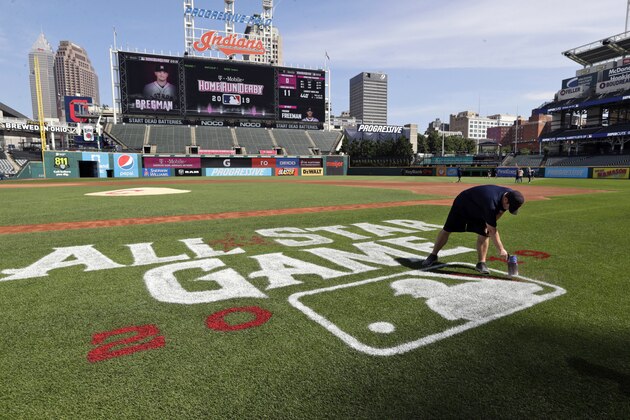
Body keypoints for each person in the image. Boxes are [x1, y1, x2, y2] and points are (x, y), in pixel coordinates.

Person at [421, 185, 525, 275]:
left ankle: (481, 263)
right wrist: (501, 249)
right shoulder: (491, 202)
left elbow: (501, 210)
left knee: (485, 233)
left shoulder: (511, 196)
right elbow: (493, 230)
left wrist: (488, 224)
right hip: (463, 204)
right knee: (447, 229)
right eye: (510, 207)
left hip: (480, 208)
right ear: (505, 200)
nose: (509, 209)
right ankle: (433, 255)